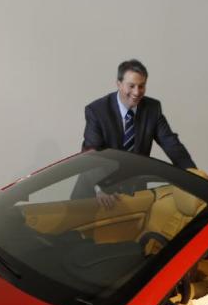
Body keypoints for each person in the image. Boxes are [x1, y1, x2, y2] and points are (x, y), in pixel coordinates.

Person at [73, 59, 195, 201]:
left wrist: (194, 176)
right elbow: (91, 154)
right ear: (119, 84)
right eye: (131, 86)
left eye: (141, 86)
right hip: (94, 192)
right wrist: (99, 188)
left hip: (132, 193)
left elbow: (172, 145)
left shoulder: (152, 109)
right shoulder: (97, 111)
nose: (137, 92)